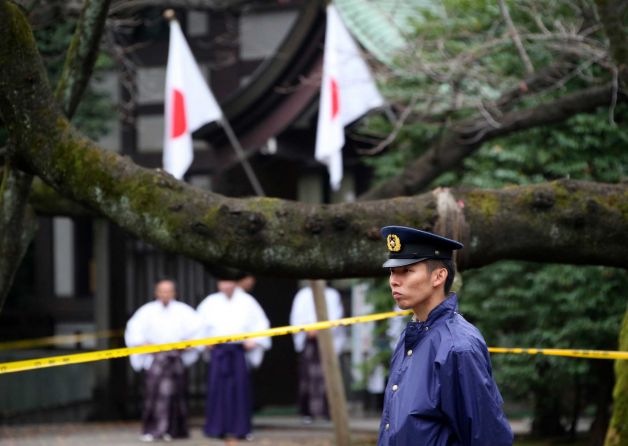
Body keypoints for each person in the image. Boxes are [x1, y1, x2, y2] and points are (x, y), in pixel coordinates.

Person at [377, 226, 513, 446]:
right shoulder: (409, 337)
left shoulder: (458, 347)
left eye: (407, 271)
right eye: (393, 271)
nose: (394, 280)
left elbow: (487, 436)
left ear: (439, 276)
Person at [124, 279, 202, 443]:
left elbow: (197, 334)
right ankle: (152, 430)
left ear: (174, 293)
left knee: (176, 396)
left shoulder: (184, 311)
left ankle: (173, 430)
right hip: (156, 361)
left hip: (175, 360)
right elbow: (134, 334)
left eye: (169, 291)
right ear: (156, 292)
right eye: (162, 290)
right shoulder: (146, 311)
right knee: (153, 396)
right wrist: (145, 345)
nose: (165, 294)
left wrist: (185, 346)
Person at [196, 278, 271, 444]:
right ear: (218, 284)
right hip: (219, 352)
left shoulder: (247, 301)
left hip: (238, 352)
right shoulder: (210, 302)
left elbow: (261, 324)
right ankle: (216, 428)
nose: (227, 286)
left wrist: (255, 341)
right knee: (217, 389)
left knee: (240, 390)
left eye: (230, 282)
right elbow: (198, 326)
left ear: (235, 283)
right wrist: (204, 341)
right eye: (223, 282)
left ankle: (241, 429)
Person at [289, 285, 346, 422]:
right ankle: (307, 413)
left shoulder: (332, 294)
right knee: (307, 379)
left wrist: (320, 330)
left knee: (328, 377)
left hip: (327, 341)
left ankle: (329, 412)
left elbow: (336, 316)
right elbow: (296, 317)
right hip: (308, 341)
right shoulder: (302, 295)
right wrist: (308, 329)